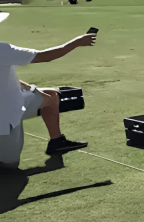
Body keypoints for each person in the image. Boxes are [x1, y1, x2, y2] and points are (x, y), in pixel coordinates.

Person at [0, 13, 95, 168]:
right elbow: (45, 56)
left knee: (50, 96)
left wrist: (27, 86)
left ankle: (57, 142)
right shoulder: (2, 49)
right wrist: (77, 42)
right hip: (6, 115)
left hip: (15, 102)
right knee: (9, 166)